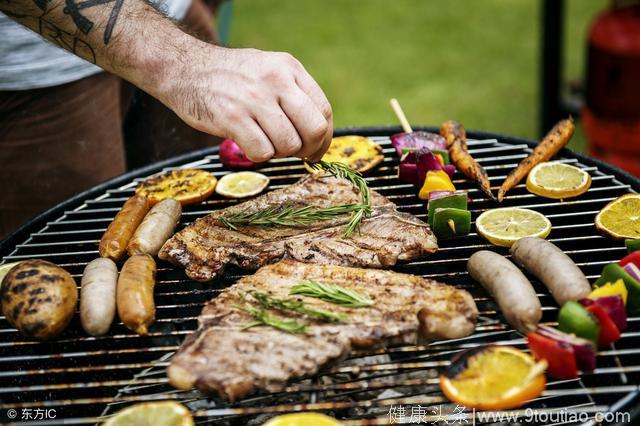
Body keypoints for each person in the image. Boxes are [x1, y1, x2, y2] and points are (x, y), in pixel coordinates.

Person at [0, 0, 333, 238]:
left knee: (206, 210)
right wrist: (183, 64)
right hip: (35, 74)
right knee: (67, 254)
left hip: (173, 18)